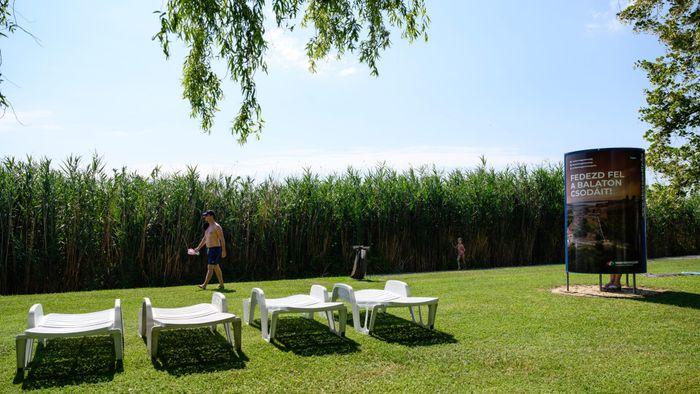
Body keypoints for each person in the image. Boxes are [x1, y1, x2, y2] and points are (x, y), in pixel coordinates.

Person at [194, 210, 227, 290]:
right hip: (209, 249)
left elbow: (222, 238)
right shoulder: (208, 226)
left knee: (210, 267)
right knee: (216, 267)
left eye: (206, 215)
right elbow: (205, 239)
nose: (205, 217)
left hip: (215, 249)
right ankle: (221, 284)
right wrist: (198, 248)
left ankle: (204, 285)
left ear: (211, 216)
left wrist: (223, 250)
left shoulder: (217, 226)